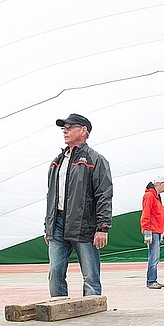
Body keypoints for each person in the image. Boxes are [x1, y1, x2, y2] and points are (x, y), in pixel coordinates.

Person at [45, 113, 113, 297]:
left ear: (84, 131)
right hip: (57, 225)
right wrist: (48, 227)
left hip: (85, 226)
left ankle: (93, 316)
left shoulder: (95, 160)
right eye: (63, 128)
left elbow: (104, 195)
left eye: (70, 127)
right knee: (55, 273)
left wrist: (103, 228)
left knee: (90, 276)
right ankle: (59, 309)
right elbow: (51, 196)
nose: (65, 131)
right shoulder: (56, 162)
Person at [141, 176, 164, 289]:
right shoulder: (150, 196)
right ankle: (151, 281)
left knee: (155, 256)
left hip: (156, 230)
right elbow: (146, 213)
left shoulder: (156, 196)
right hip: (152, 230)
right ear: (159, 183)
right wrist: (147, 231)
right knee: (153, 257)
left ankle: (153, 280)